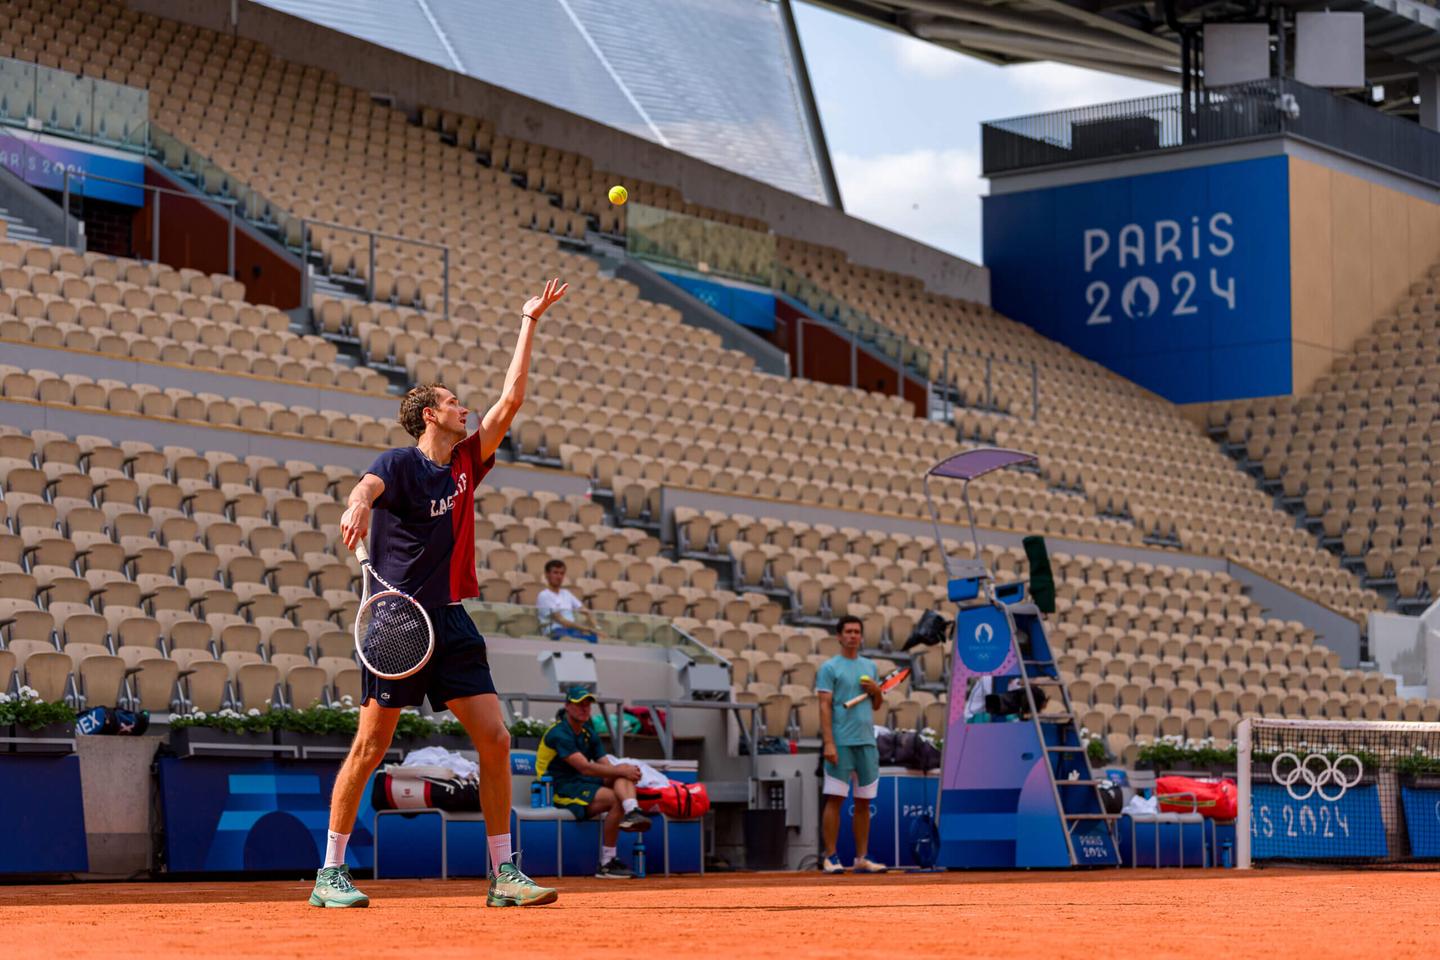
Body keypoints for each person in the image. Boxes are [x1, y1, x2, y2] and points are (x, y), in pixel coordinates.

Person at [309, 277, 569, 909]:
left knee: (498, 740)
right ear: (430, 414)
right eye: (454, 403)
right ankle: (331, 872)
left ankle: (505, 873)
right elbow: (364, 488)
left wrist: (528, 321)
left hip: (450, 622)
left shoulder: (464, 463)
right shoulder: (401, 464)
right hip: (398, 625)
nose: (466, 409)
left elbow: (511, 400)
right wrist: (356, 509)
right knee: (370, 747)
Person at [536, 686, 653, 879]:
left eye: (587, 704)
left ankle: (632, 811)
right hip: (557, 788)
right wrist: (621, 769)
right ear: (567, 706)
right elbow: (585, 767)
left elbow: (605, 766)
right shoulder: (559, 733)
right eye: (579, 704)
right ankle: (607, 863)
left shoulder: (588, 731)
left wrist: (623, 771)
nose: (584, 708)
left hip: (581, 783)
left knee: (621, 774)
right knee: (616, 794)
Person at [816, 615, 887, 874]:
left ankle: (861, 858)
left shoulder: (870, 667)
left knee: (864, 802)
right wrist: (828, 743)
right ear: (839, 636)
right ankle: (831, 857)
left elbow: (876, 705)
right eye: (848, 631)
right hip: (841, 742)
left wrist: (877, 692)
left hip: (867, 742)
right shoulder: (829, 668)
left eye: (857, 631)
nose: (853, 635)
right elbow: (824, 706)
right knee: (835, 798)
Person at [537, 559, 599, 642]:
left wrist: (597, 628)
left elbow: (585, 611)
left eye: (561, 573)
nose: (559, 577)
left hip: (572, 631)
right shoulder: (544, 595)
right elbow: (561, 620)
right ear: (547, 575)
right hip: (555, 631)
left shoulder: (566, 593)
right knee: (582, 640)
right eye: (555, 573)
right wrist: (587, 629)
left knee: (595, 638)